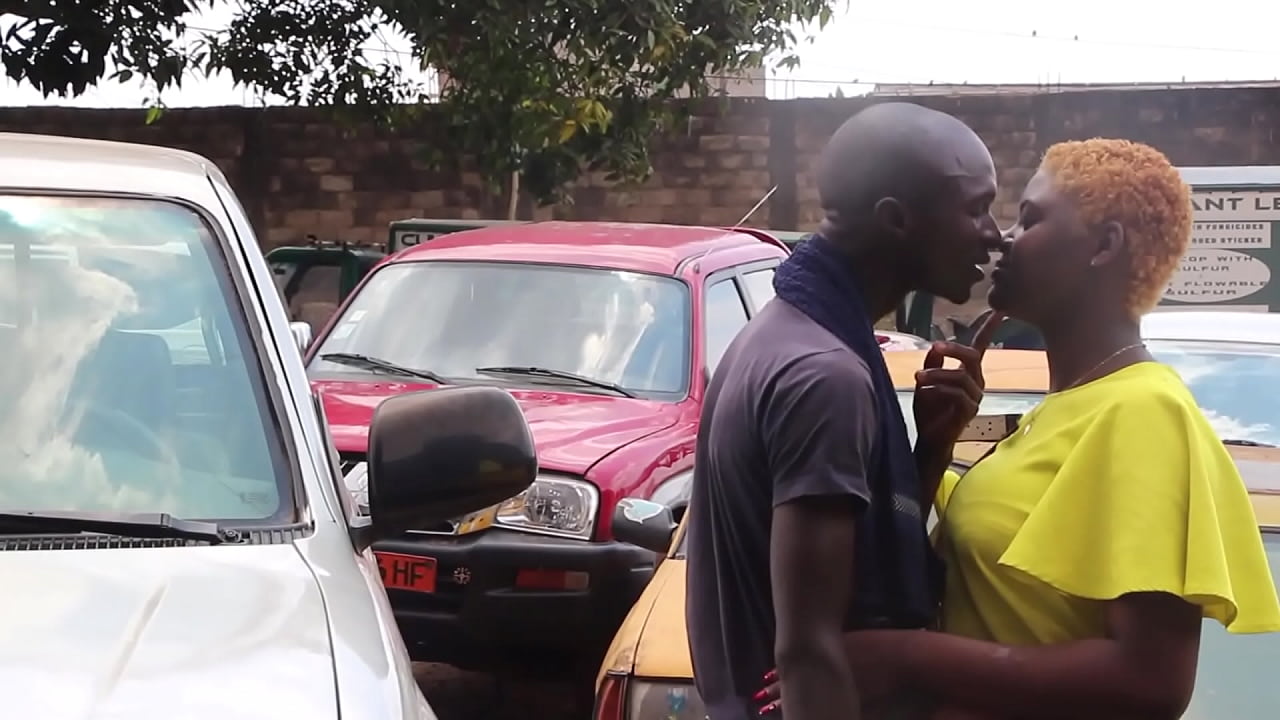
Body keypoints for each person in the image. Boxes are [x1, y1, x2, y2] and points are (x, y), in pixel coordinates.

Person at [755, 138, 1280, 719]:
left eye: (1030, 220)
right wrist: (932, 450)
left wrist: (901, 657)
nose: (1002, 237)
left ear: (1103, 246)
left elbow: (1151, 681)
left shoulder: (1145, 413)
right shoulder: (1061, 408)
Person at [684, 101, 1004, 720]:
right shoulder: (824, 377)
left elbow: (849, 563)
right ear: (897, 220)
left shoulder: (787, 333)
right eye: (976, 207)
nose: (993, 233)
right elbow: (810, 650)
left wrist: (931, 451)